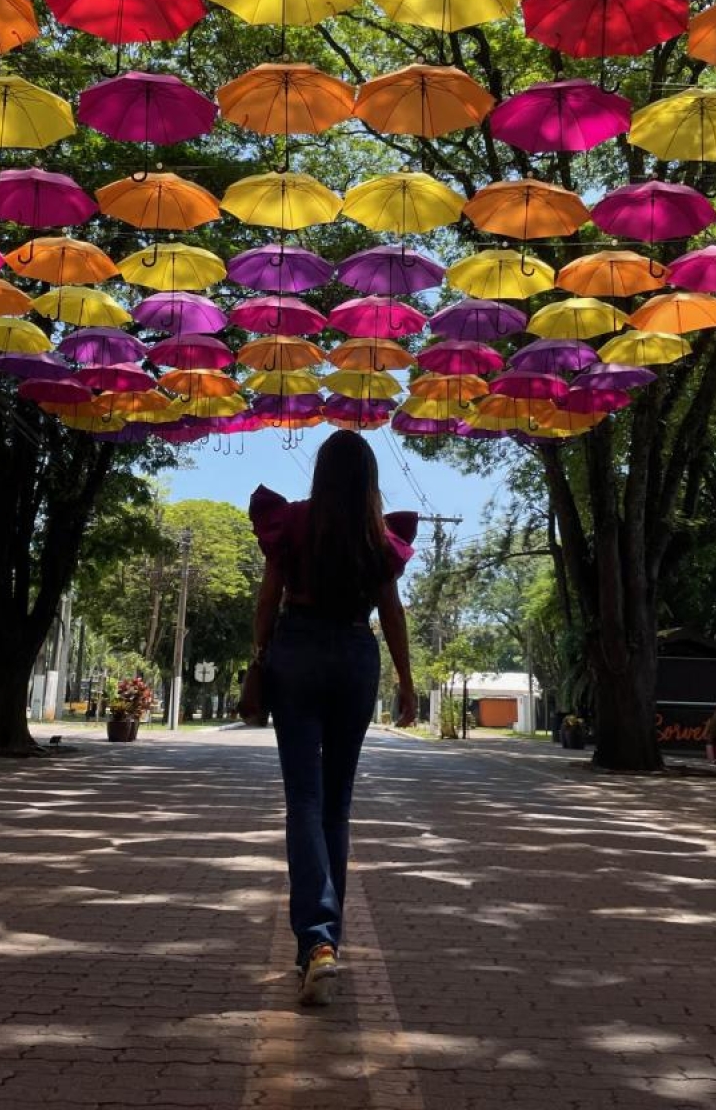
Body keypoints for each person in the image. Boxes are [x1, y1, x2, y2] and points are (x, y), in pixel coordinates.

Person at [246, 430, 418, 1008]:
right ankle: (326, 945)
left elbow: (268, 598)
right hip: (354, 656)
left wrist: (258, 659)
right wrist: (407, 682)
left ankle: (315, 942)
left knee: (304, 801)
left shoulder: (291, 524)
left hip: (296, 651)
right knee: (337, 805)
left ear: (320, 474)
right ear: (368, 480)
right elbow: (391, 614)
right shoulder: (380, 540)